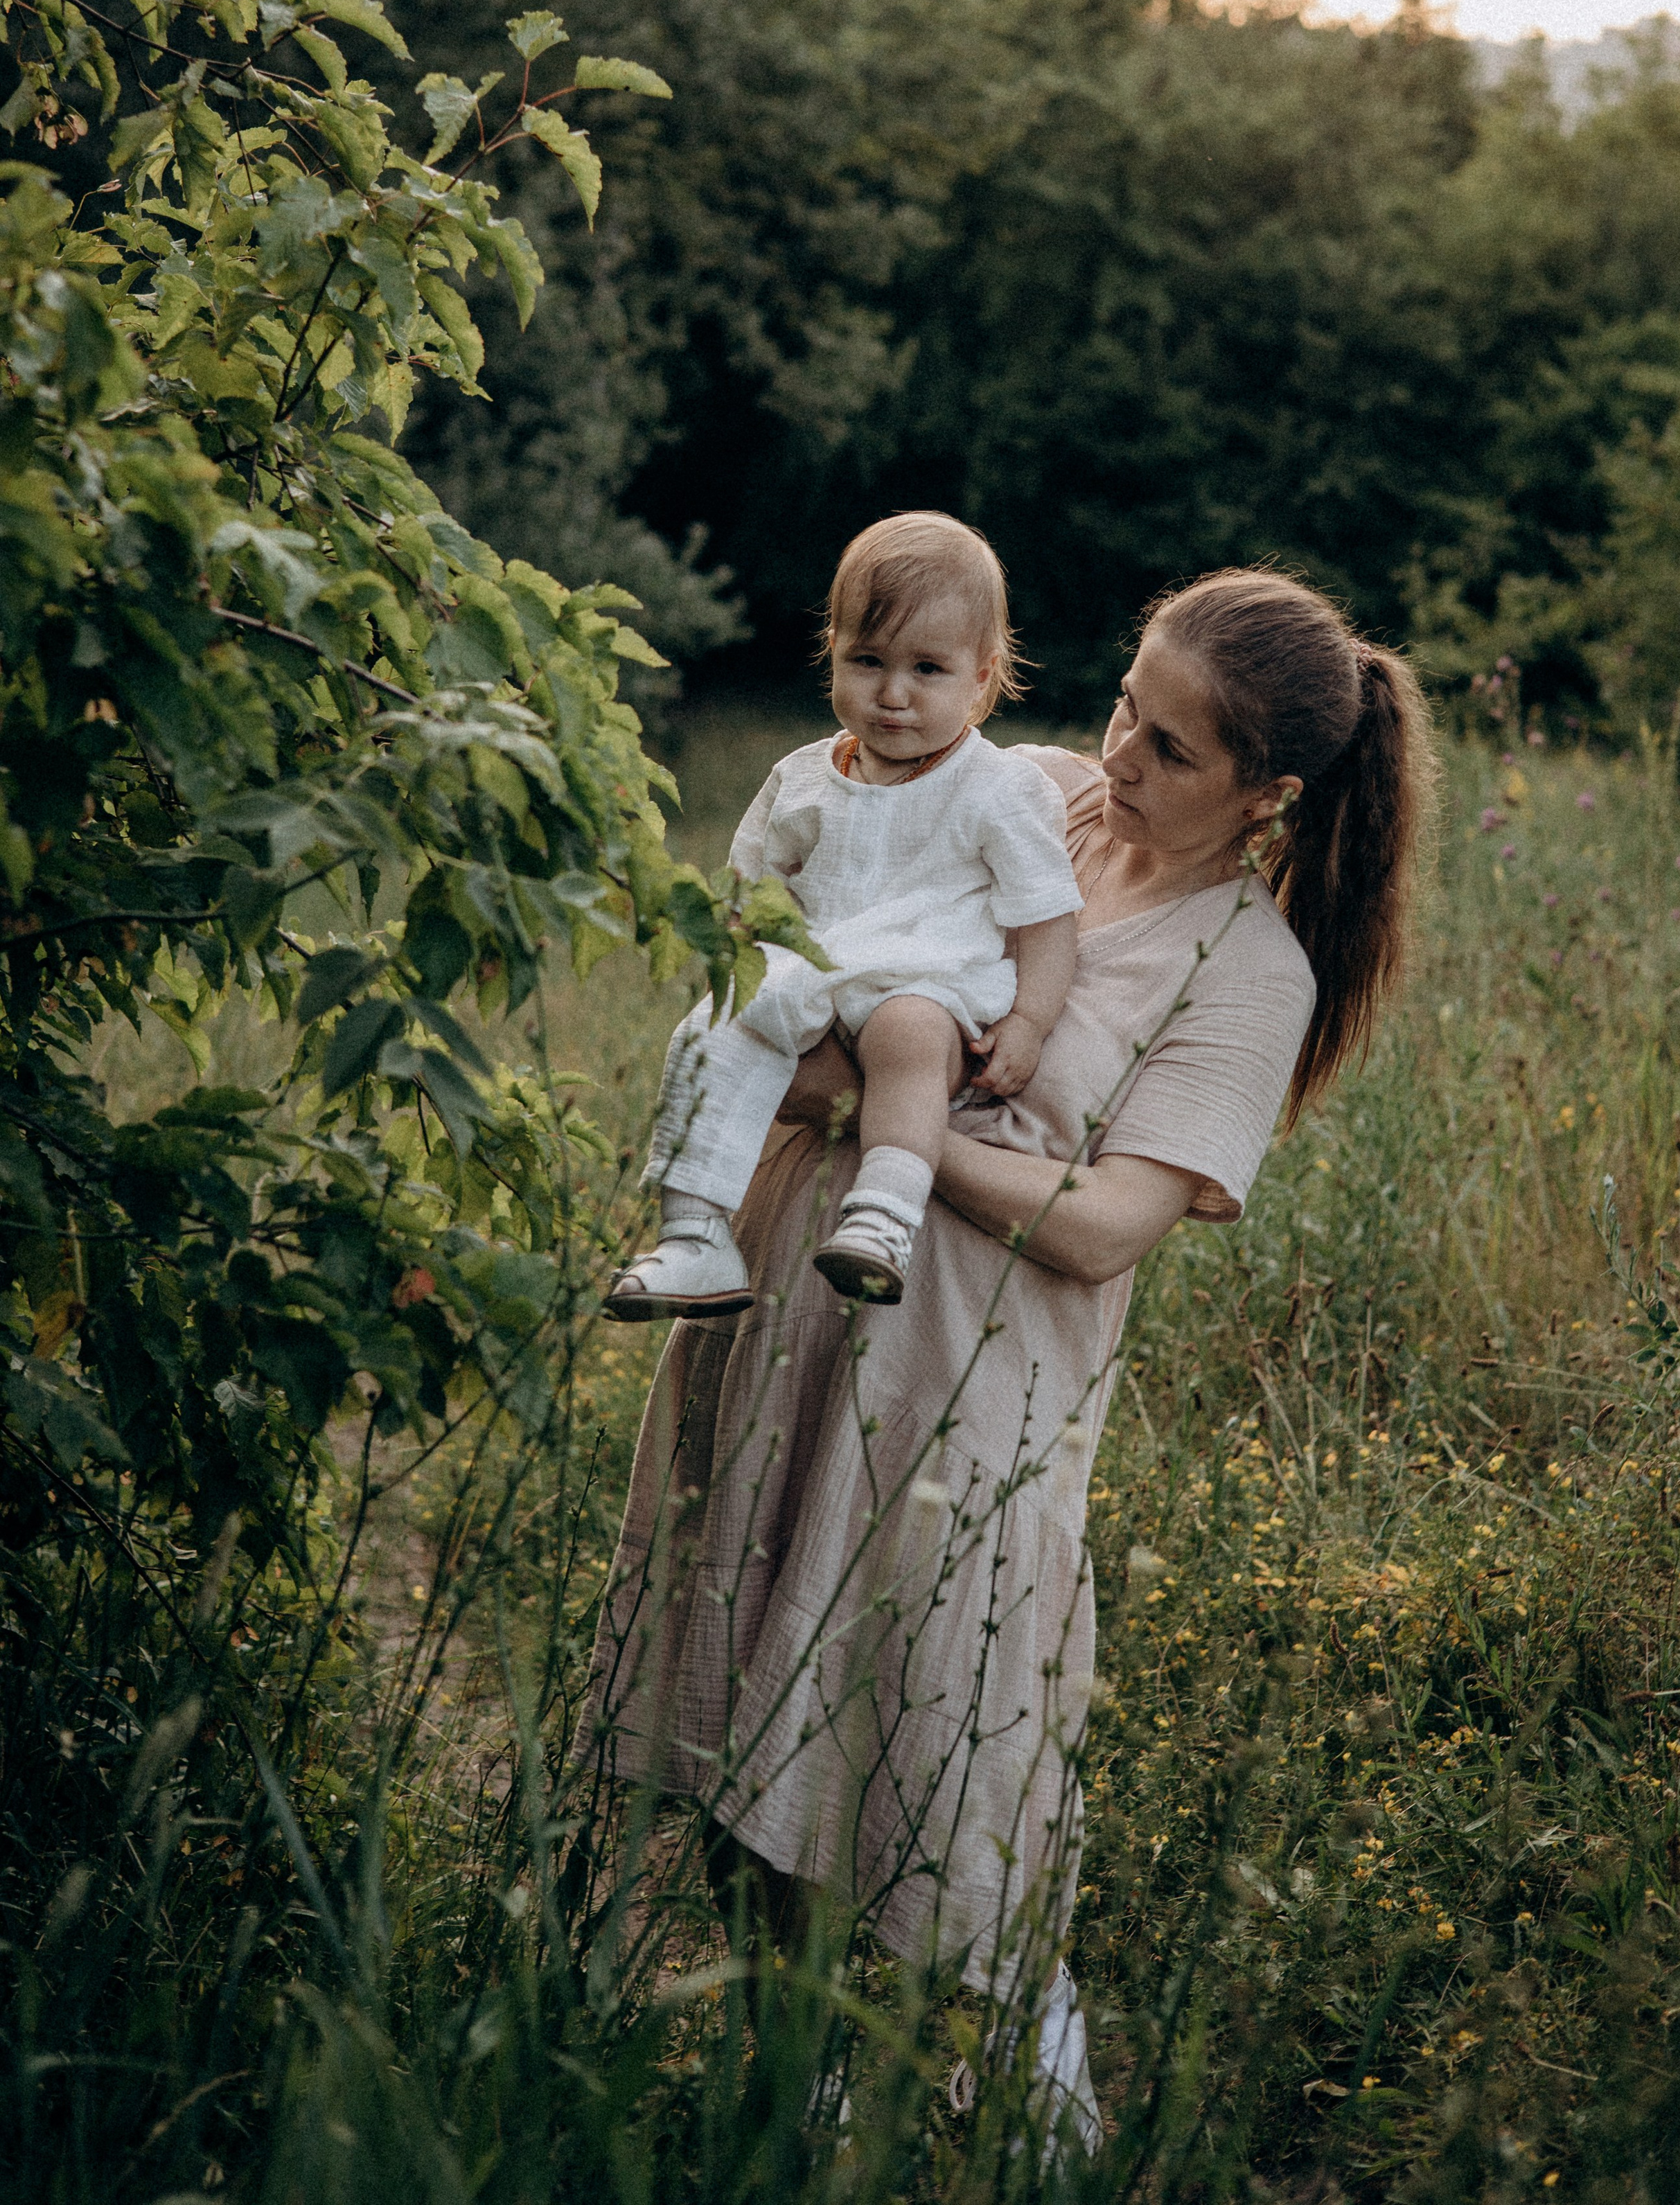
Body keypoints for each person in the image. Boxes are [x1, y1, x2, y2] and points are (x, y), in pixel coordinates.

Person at [574, 567, 1435, 2148]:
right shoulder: (1013, 791)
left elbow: (1105, 1223)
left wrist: (873, 1119)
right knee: (736, 1746)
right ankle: (798, 2097)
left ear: (1268, 792)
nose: (1114, 755)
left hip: (956, 1413)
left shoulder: (1241, 972)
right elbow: (798, 923)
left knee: (901, 1786)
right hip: (776, 1333)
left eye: (1169, 748)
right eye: (1122, 704)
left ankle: (1024, 2090)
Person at [607, 513, 1081, 1317]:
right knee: (713, 1032)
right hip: (814, 967)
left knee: (907, 1032)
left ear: (982, 679)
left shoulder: (996, 788)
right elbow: (750, 885)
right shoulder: (800, 778)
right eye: (868, 661)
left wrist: (1030, 1022)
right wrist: (746, 939)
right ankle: (694, 1237)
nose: (893, 694)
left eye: (927, 669)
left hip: (926, 977)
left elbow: (1046, 918)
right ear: (832, 653)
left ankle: (884, 1215)